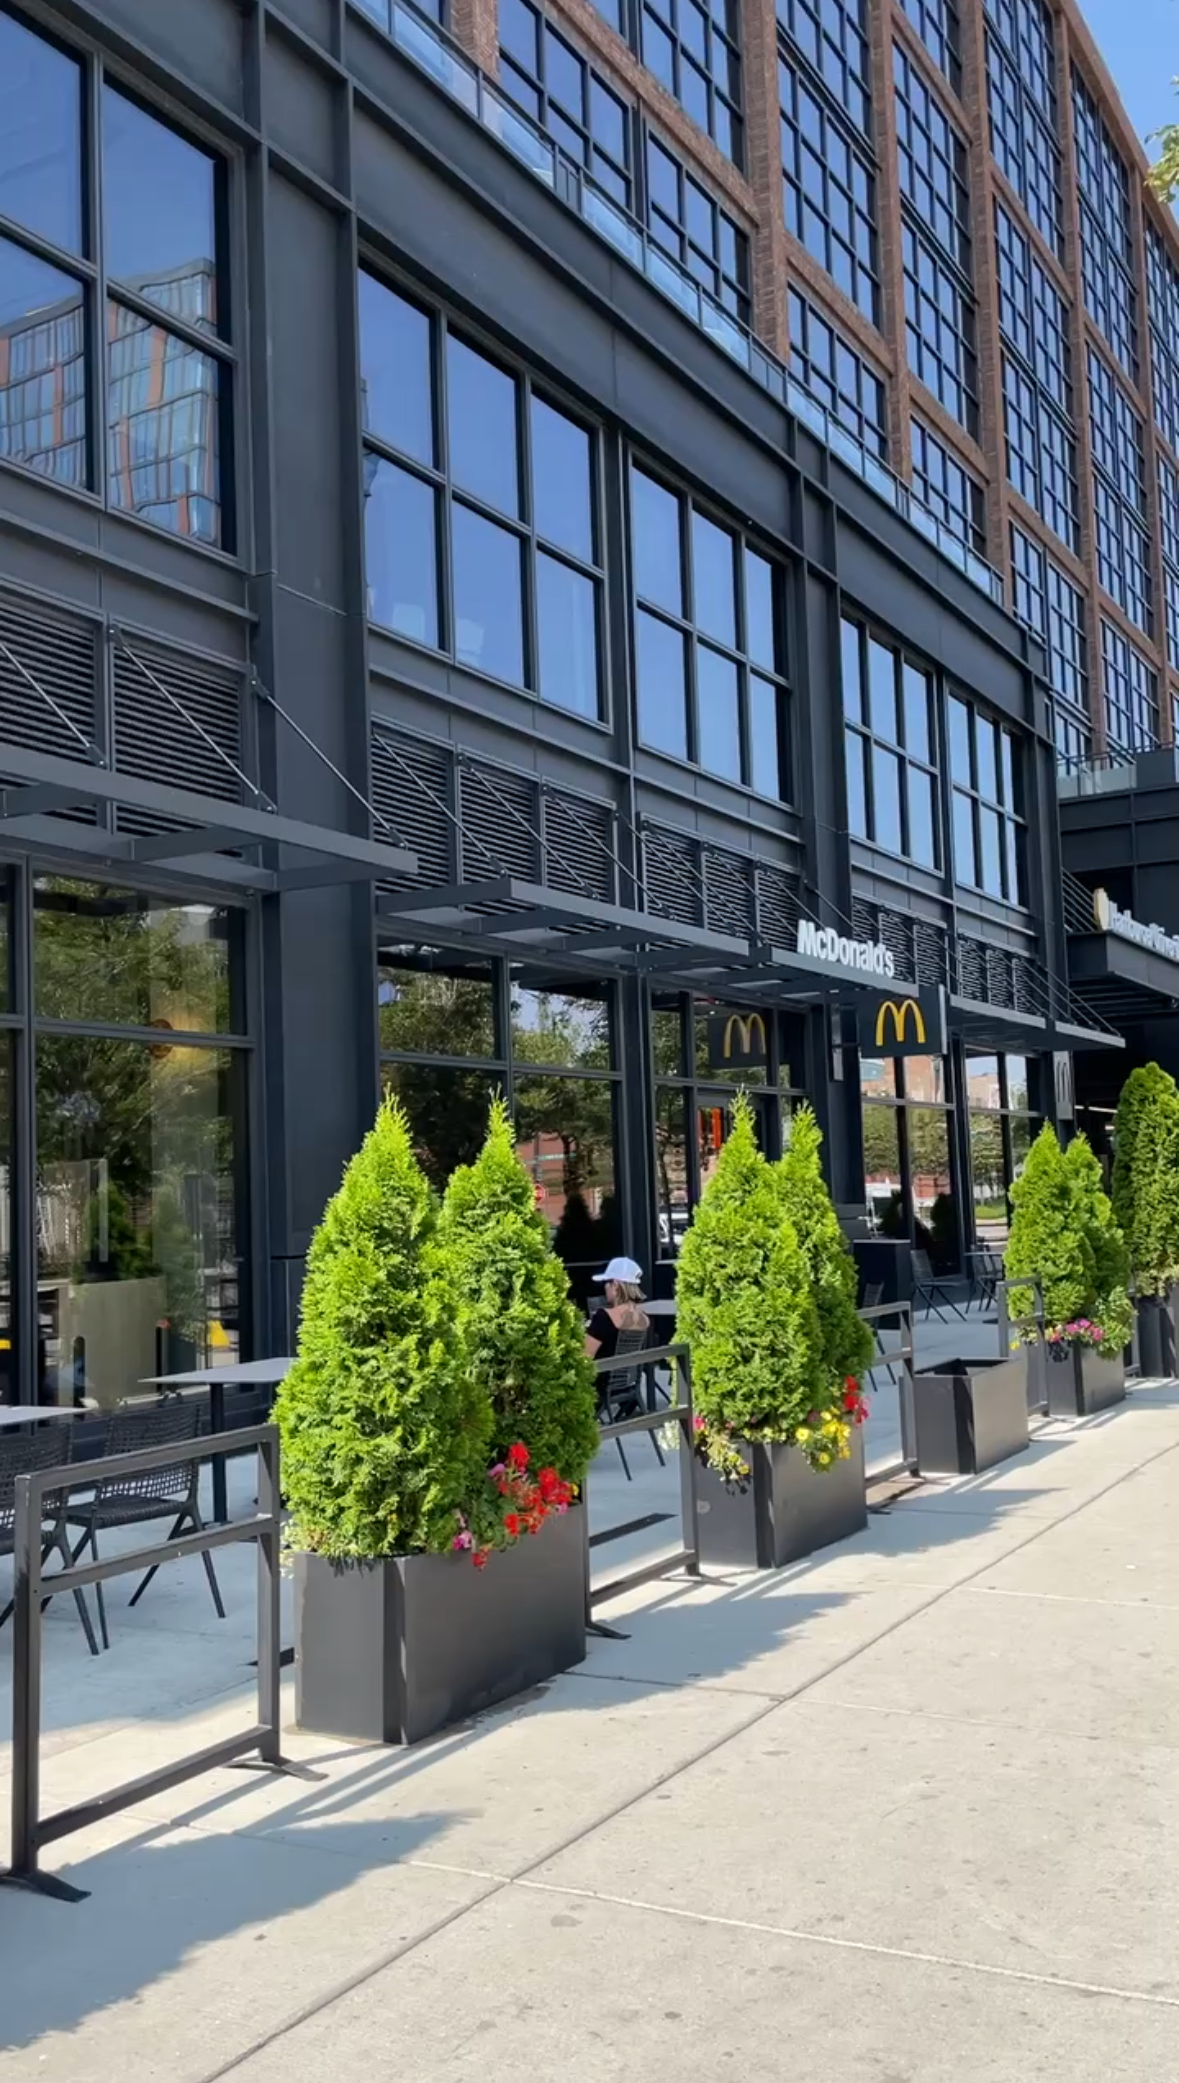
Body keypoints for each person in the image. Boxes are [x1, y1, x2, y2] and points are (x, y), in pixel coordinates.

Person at [584, 1256, 650, 1360]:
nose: (605, 1287)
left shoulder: (603, 1317)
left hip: (605, 1369)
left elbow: (585, 1357)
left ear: (615, 1284)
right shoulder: (644, 1318)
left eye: (607, 1282)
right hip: (631, 1370)